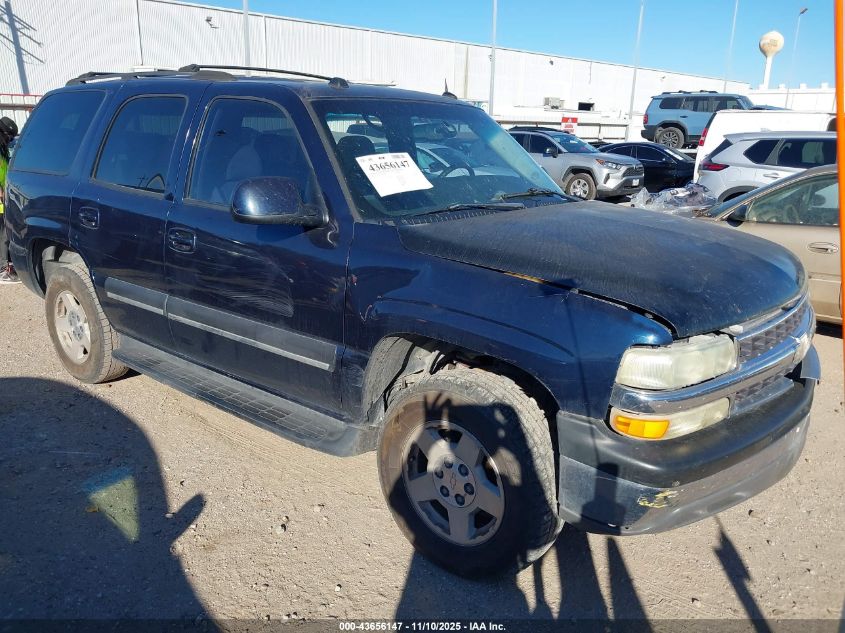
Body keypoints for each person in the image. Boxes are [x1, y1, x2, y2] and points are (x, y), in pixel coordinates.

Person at [0, 116, 20, 284]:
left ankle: (7, 266)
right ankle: (2, 271)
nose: (10, 140)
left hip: (4, 195)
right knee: (3, 233)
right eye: (9, 136)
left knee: (6, 231)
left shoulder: (2, 148)